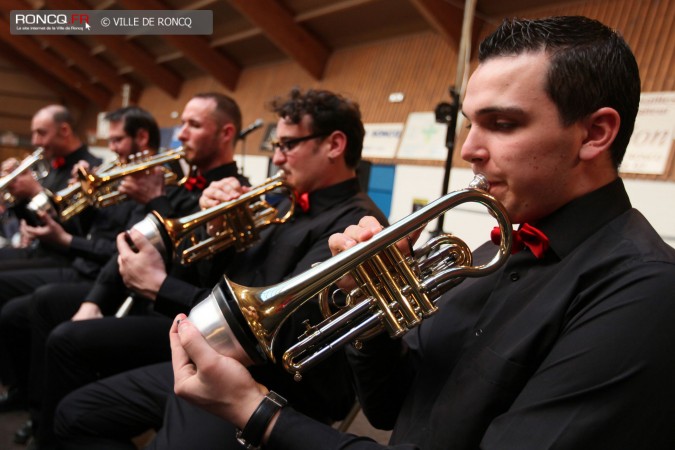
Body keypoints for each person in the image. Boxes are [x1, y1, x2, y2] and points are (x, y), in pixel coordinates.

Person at [166, 16, 675, 450]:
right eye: (470, 123)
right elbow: (392, 409)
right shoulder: (491, 250)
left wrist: (258, 413)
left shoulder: (646, 291)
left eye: (501, 123)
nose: (469, 149)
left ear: (595, 133)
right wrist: (367, 316)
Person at [54, 88, 387, 450]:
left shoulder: (357, 225)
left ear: (334, 145)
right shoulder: (278, 201)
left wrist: (159, 285)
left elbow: (275, 330)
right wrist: (214, 232)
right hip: (213, 357)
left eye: (287, 145)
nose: (276, 158)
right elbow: (212, 282)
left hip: (273, 388)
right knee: (74, 414)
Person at [27, 92, 248, 450]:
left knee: (66, 340)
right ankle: (48, 424)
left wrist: (154, 202)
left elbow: (192, 266)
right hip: (143, 300)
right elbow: (131, 242)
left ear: (226, 134)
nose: (181, 135)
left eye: (193, 125)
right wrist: (94, 301)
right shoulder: (177, 185)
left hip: (180, 319)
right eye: (183, 125)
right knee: (56, 318)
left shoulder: (231, 191)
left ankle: (52, 435)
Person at [0, 106, 161, 445]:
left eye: (117, 139)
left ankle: (43, 417)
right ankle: (31, 400)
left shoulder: (150, 186)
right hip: (86, 264)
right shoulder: (115, 175)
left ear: (141, 138)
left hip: (102, 275)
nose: (111, 147)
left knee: (40, 310)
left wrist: (56, 217)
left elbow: (111, 243)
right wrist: (87, 202)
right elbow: (93, 231)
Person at [0, 104, 102, 270]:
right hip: (40, 251)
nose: (35, 141)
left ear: (64, 130)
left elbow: (76, 229)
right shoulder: (52, 168)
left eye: (41, 133)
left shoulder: (90, 169)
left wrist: (35, 192)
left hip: (65, 260)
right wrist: (19, 195)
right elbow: (34, 222)